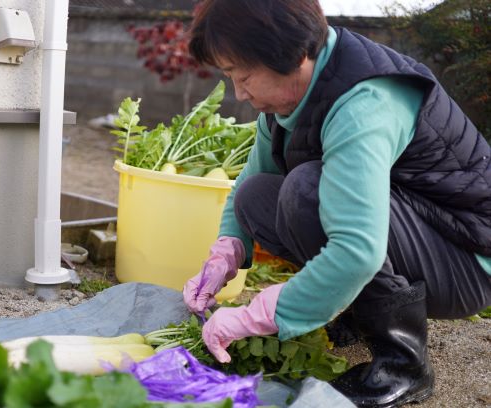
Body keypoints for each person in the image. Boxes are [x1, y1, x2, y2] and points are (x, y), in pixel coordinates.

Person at [181, 0, 491, 406]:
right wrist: (225, 252)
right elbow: (248, 183)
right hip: (416, 233)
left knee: (307, 189)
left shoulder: (366, 102)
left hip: (466, 260)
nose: (239, 92)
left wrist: (258, 314)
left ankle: (403, 365)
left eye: (244, 75)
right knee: (258, 195)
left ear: (291, 55)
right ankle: (356, 312)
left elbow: (358, 251)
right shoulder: (293, 95)